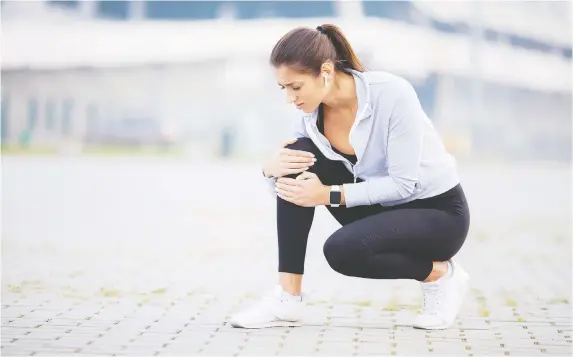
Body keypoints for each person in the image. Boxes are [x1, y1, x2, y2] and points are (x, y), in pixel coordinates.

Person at [229, 24, 471, 330]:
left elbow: (403, 184)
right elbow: (292, 187)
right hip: (382, 210)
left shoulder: (392, 94)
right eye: (284, 88)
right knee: (296, 154)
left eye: (296, 87)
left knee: (341, 251)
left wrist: (328, 194)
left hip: (438, 215)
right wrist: (269, 170)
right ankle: (288, 298)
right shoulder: (309, 116)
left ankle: (442, 277)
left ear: (326, 72)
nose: (289, 98)